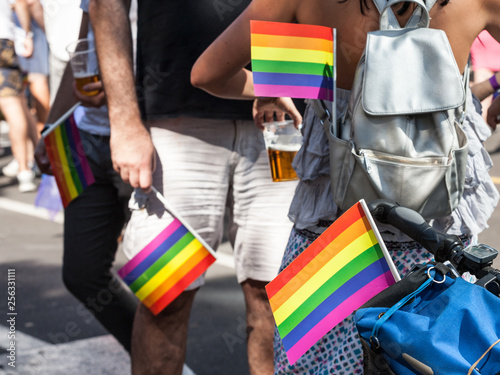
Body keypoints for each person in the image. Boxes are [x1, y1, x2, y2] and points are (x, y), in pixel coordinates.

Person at [191, 0, 500, 373]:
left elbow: (208, 74)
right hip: (433, 246)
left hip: (335, 241)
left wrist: (286, 84)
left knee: (314, 363)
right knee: (429, 361)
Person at [88, 0, 298, 374]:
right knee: (165, 295)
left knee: (280, 301)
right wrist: (123, 119)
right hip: (177, 119)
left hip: (282, 116)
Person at [34, 0, 138, 353]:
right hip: (86, 141)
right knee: (82, 273)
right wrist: (51, 126)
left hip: (146, 141)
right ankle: (151, 356)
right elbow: (84, 51)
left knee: (161, 281)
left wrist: (123, 94)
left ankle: (159, 358)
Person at [0, 0, 38, 192]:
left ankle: (28, 164)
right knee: (14, 103)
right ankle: (25, 169)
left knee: (16, 103)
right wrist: (27, 34)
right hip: (4, 41)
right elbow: (20, 3)